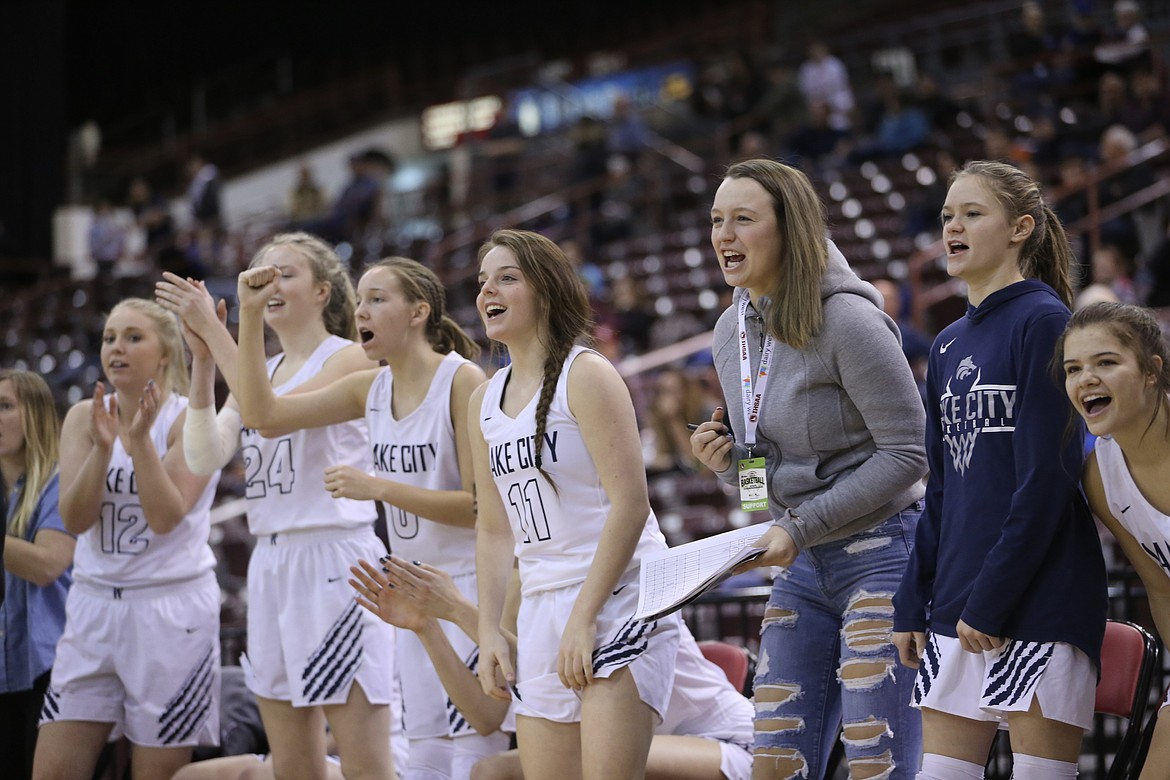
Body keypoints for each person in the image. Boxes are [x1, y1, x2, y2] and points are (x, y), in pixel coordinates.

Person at [223, 253, 501, 780]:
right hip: (413, 596)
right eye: (362, 302)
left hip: (465, 588)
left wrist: (378, 488)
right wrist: (250, 314)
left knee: (477, 759)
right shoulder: (369, 389)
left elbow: (479, 507)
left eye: (378, 300)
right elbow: (261, 416)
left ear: (419, 312)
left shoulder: (460, 380)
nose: (362, 313)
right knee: (427, 762)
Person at [691, 158, 927, 778]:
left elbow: (908, 453)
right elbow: (756, 498)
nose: (724, 236)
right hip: (803, 565)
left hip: (883, 553)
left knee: (879, 763)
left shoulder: (849, 320)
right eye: (717, 221)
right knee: (774, 763)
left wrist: (797, 527)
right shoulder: (728, 333)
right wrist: (727, 469)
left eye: (743, 219)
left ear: (789, 228)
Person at [155, 232, 400, 780]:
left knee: (364, 762)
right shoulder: (256, 373)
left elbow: (267, 417)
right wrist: (200, 362)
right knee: (293, 765)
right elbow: (204, 453)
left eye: (285, 274)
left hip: (337, 561)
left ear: (322, 291)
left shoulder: (350, 358)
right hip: (273, 564)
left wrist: (219, 327)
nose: (267, 284)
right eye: (259, 275)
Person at [892, 160, 1109, 780]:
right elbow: (942, 487)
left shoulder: (1045, 322)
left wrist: (989, 601)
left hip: (1036, 597)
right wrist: (914, 600)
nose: (952, 228)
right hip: (955, 604)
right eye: (946, 217)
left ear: (1021, 228)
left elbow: (1047, 477)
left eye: (971, 214)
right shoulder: (946, 343)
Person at [471, 229, 681, 780]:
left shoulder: (586, 374)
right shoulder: (484, 400)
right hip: (541, 602)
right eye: (482, 281)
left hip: (617, 594)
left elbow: (631, 506)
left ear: (546, 290)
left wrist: (584, 618)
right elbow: (494, 530)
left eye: (506, 277)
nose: (487, 290)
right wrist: (490, 629)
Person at [34, 298, 222, 780]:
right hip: (94, 606)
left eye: (133, 337)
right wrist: (102, 448)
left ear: (164, 354)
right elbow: (74, 521)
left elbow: (164, 517)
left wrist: (137, 443)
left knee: (155, 775)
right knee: (53, 771)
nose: (116, 348)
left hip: (168, 612)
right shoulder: (83, 417)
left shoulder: (188, 419)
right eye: (109, 337)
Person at [1058, 301, 1170, 780]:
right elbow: (1161, 586)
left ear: (1151, 371)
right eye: (1073, 368)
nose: (1086, 379)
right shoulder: (1100, 477)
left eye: (1106, 362)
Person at [0, 370, 75, 780]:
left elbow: (49, 564)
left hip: (49, 664)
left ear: (37, 416)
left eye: (6, 407)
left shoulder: (59, 483)